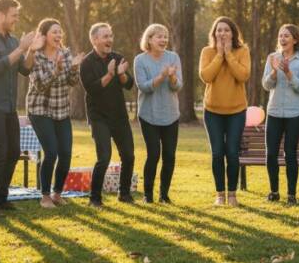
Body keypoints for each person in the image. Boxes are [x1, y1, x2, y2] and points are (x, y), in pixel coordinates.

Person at [0, 0, 43, 218]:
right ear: (1, 14)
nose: (16, 19)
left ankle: (1, 198)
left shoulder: (13, 41)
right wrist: (21, 47)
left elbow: (24, 69)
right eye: (13, 15)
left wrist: (30, 50)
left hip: (8, 105)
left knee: (13, 150)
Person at [26, 18, 84, 209]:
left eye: (60, 32)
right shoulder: (36, 56)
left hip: (61, 109)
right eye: (54, 32)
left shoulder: (66, 53)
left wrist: (74, 68)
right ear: (44, 35)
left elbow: (72, 82)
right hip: (40, 109)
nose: (58, 36)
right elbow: (41, 85)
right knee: (51, 152)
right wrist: (56, 70)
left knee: (65, 153)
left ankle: (57, 193)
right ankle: (44, 196)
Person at [79, 22, 135, 207]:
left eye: (110, 36)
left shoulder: (118, 57)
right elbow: (92, 89)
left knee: (128, 155)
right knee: (104, 157)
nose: (109, 39)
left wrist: (120, 74)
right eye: (105, 36)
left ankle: (124, 193)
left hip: (119, 115)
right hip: (98, 116)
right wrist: (110, 75)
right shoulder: (86, 63)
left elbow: (128, 84)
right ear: (95, 40)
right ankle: (95, 198)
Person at [199, 16, 250, 206]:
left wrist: (229, 54)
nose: (222, 33)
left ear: (233, 33)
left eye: (226, 30)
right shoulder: (207, 51)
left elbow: (243, 75)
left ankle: (232, 195)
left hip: (236, 110)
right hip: (212, 111)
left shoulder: (242, 51)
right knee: (218, 153)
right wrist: (220, 55)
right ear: (214, 33)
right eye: (219, 30)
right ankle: (220, 194)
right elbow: (206, 76)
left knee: (232, 152)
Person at [262, 24, 299, 204]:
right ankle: (274, 191)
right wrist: (275, 71)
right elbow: (266, 86)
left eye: (286, 36)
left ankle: (292, 195)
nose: (282, 39)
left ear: (295, 40)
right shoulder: (272, 58)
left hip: (295, 113)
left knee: (290, 153)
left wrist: (288, 72)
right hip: (274, 111)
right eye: (280, 36)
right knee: (270, 154)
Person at [133, 24, 182, 204]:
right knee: (153, 154)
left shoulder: (173, 57)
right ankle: (148, 195)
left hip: (171, 115)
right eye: (159, 36)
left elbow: (178, 86)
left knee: (169, 155)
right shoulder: (140, 60)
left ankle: (164, 195)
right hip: (149, 115)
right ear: (149, 39)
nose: (163, 40)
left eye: (165, 36)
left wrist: (172, 77)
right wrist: (161, 77)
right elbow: (144, 87)